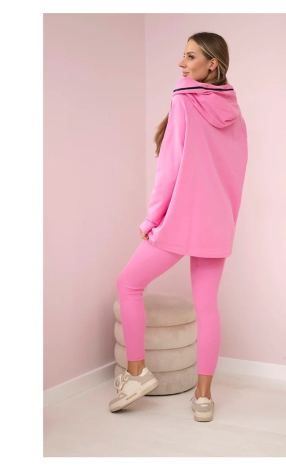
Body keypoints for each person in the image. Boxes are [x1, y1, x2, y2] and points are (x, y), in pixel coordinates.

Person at [109, 32, 248, 422]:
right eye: (183, 56)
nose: (182, 64)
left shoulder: (184, 100)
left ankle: (136, 374)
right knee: (207, 307)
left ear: (212, 64)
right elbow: (236, 176)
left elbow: (169, 168)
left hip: (180, 218)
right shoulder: (236, 113)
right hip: (217, 221)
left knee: (128, 284)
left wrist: (152, 219)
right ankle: (203, 398)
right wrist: (226, 223)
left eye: (190, 56)